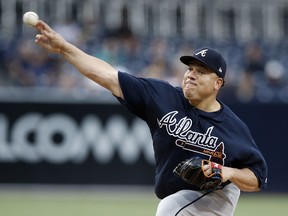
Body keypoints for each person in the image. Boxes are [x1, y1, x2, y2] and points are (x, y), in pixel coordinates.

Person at [34, 20, 268, 216]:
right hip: (180, 193)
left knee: (169, 209)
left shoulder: (232, 126)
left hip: (216, 195)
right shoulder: (162, 96)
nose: (191, 75)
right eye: (190, 69)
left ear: (218, 83)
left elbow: (256, 178)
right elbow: (105, 75)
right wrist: (64, 48)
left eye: (201, 72)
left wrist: (227, 172)